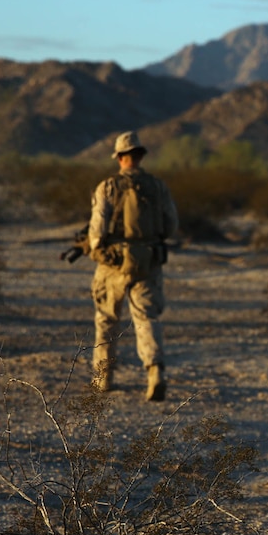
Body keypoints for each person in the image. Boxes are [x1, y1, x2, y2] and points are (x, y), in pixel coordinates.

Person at [88, 130, 179, 402]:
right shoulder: (158, 186)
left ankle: (103, 378)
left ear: (120, 158)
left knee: (106, 319)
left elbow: (97, 230)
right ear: (139, 156)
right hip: (149, 260)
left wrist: (97, 250)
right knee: (146, 317)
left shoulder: (107, 187)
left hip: (113, 264)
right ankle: (155, 372)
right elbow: (171, 225)